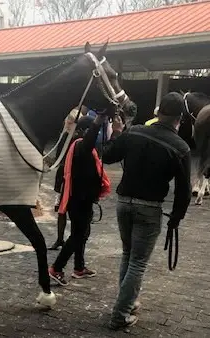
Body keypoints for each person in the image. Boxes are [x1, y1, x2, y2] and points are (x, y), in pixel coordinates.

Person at [100, 92, 192, 330]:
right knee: (138, 262)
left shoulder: (136, 131)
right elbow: (184, 191)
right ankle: (120, 315)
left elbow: (108, 155)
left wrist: (119, 132)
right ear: (179, 118)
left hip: (123, 204)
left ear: (157, 112)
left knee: (128, 256)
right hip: (149, 209)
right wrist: (176, 219)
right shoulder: (180, 147)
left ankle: (128, 303)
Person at [48, 109, 113, 285]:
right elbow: (90, 139)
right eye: (93, 131)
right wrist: (98, 121)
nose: (97, 135)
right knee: (78, 235)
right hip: (79, 201)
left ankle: (79, 267)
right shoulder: (81, 146)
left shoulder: (78, 147)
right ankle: (57, 268)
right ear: (85, 131)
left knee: (82, 234)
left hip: (81, 199)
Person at [49, 107, 79, 250]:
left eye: (70, 121)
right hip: (63, 177)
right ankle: (60, 239)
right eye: (67, 121)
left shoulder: (78, 139)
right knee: (61, 210)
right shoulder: (64, 138)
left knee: (71, 210)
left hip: (73, 178)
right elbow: (58, 159)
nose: (67, 123)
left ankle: (73, 238)